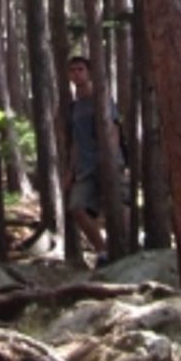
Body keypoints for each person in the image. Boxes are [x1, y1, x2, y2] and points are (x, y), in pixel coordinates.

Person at [61, 53, 120, 267]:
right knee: (77, 207)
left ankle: (126, 250)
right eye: (73, 70)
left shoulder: (102, 99)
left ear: (89, 73)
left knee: (120, 207)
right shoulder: (75, 107)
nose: (77, 74)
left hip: (108, 162)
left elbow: (113, 128)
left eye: (80, 69)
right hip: (84, 167)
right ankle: (103, 251)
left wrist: (111, 158)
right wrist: (70, 171)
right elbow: (76, 141)